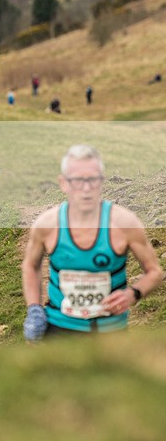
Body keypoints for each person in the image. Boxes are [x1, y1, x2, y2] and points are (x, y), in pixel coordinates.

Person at [21, 145, 163, 340]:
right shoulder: (47, 224)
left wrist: (133, 293)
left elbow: (155, 272)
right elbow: (30, 265)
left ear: (102, 181)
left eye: (93, 180)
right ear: (64, 183)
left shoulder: (125, 223)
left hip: (110, 332)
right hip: (59, 329)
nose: (86, 189)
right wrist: (34, 309)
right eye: (78, 180)